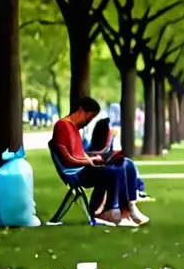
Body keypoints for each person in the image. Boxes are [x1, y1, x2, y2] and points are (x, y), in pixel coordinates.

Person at [52, 97, 144, 227]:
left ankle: (128, 208)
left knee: (125, 163)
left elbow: (79, 153)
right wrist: (88, 162)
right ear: (81, 111)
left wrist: (93, 159)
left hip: (82, 167)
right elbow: (67, 159)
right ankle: (113, 210)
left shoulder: (73, 127)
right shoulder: (62, 126)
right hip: (75, 171)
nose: (89, 122)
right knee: (114, 172)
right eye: (89, 118)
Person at [86, 117, 149, 224]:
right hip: (87, 170)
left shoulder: (105, 147)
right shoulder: (91, 148)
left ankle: (130, 207)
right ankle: (120, 210)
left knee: (127, 163)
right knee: (120, 167)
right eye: (110, 131)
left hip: (98, 166)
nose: (112, 133)